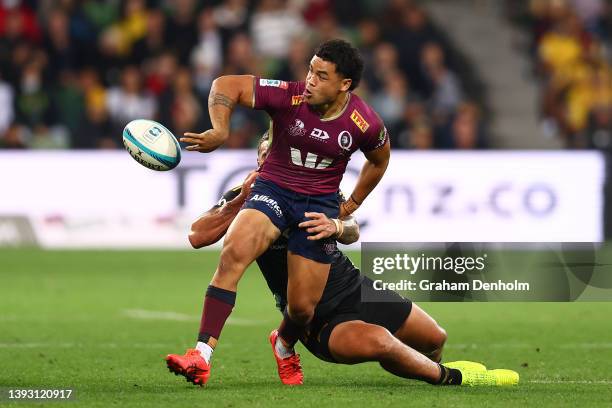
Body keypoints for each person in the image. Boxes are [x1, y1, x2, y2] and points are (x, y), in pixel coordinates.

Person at [166, 134, 519, 387]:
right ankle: (449, 379)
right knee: (381, 342)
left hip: (353, 287)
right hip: (314, 317)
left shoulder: (315, 189)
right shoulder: (250, 201)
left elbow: (353, 232)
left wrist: (335, 225)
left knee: (435, 340)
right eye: (263, 157)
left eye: (273, 157)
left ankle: (424, 366)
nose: (267, 163)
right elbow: (199, 235)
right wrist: (240, 199)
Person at [167, 39, 391, 385]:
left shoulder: (364, 123)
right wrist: (221, 129)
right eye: (309, 71)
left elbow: (380, 161)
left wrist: (348, 208)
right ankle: (201, 354)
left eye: (321, 75)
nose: (310, 81)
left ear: (343, 84)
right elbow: (226, 85)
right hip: (275, 190)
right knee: (233, 253)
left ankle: (284, 344)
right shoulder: (289, 98)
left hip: (317, 205)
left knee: (302, 309)